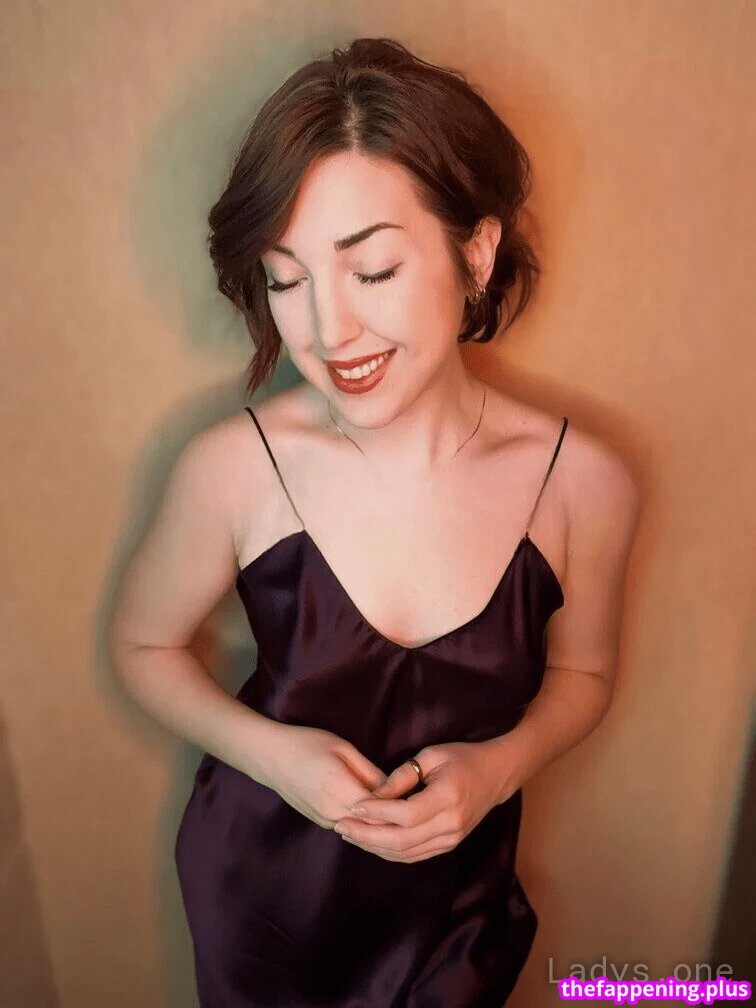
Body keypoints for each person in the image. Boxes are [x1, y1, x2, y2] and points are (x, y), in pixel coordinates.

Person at [109, 37, 640, 1007]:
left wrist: (497, 770)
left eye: (374, 269)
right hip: (258, 902)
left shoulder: (584, 483)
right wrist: (277, 758)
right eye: (286, 279)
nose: (328, 332)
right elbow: (143, 647)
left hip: (453, 917)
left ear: (474, 253)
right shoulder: (232, 468)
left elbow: (585, 675)